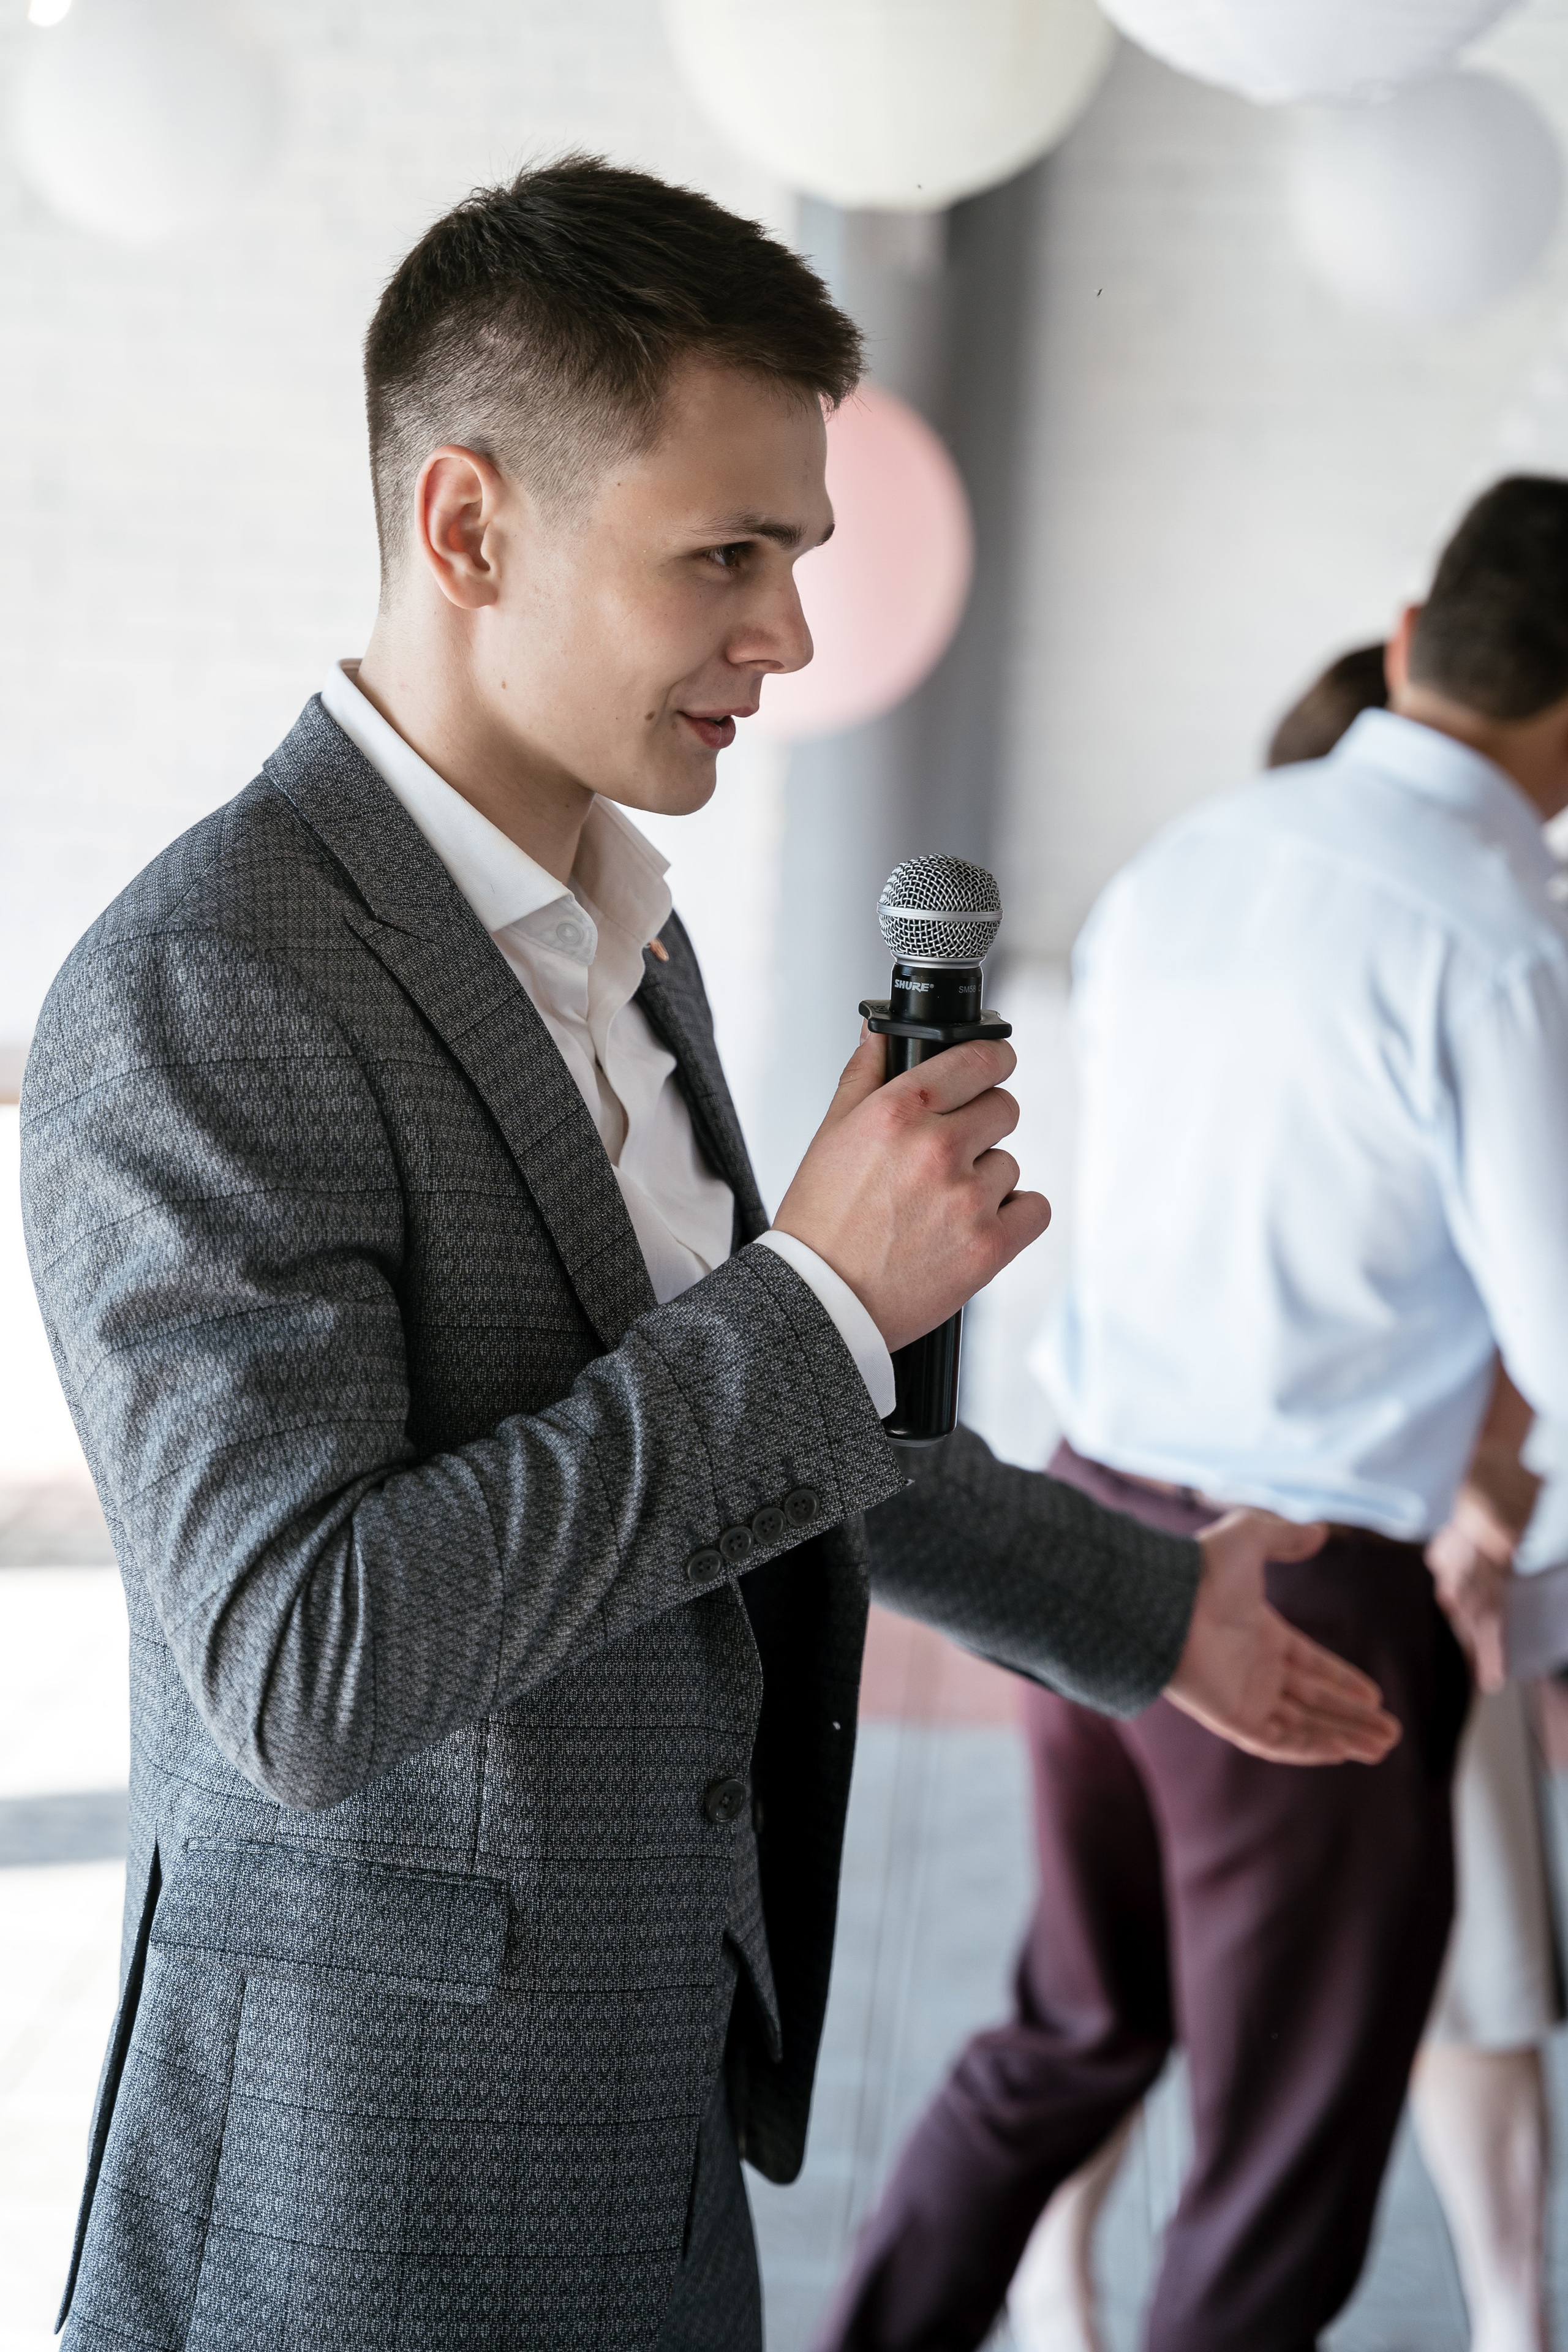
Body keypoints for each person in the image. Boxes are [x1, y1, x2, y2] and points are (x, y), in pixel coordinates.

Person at [17, 159, 1393, 2352]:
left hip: (663, 2126)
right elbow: (301, 1665)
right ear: (469, 527)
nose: (792, 635)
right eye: (723, 557)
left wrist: (1151, 1611)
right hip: (359, 2197)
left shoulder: (630, 957)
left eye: (799, 556)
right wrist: (824, 1299)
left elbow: (759, 1449)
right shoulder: (205, 987)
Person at [813, 475, 1568, 2352]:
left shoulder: (1197, 853)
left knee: (1073, 2032)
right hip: (1306, 1583)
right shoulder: (1501, 932)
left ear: (1411, 642)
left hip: (1087, 1527)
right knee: (1279, 2172)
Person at [1008, 648, 1562, 2352]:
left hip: (1274, 1517)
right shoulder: (1469, 934)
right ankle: (1062, 2270)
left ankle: (1502, 2307)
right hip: (1322, 1544)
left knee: (1166, 1999)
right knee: (1199, 2043)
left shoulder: (1256, 892)